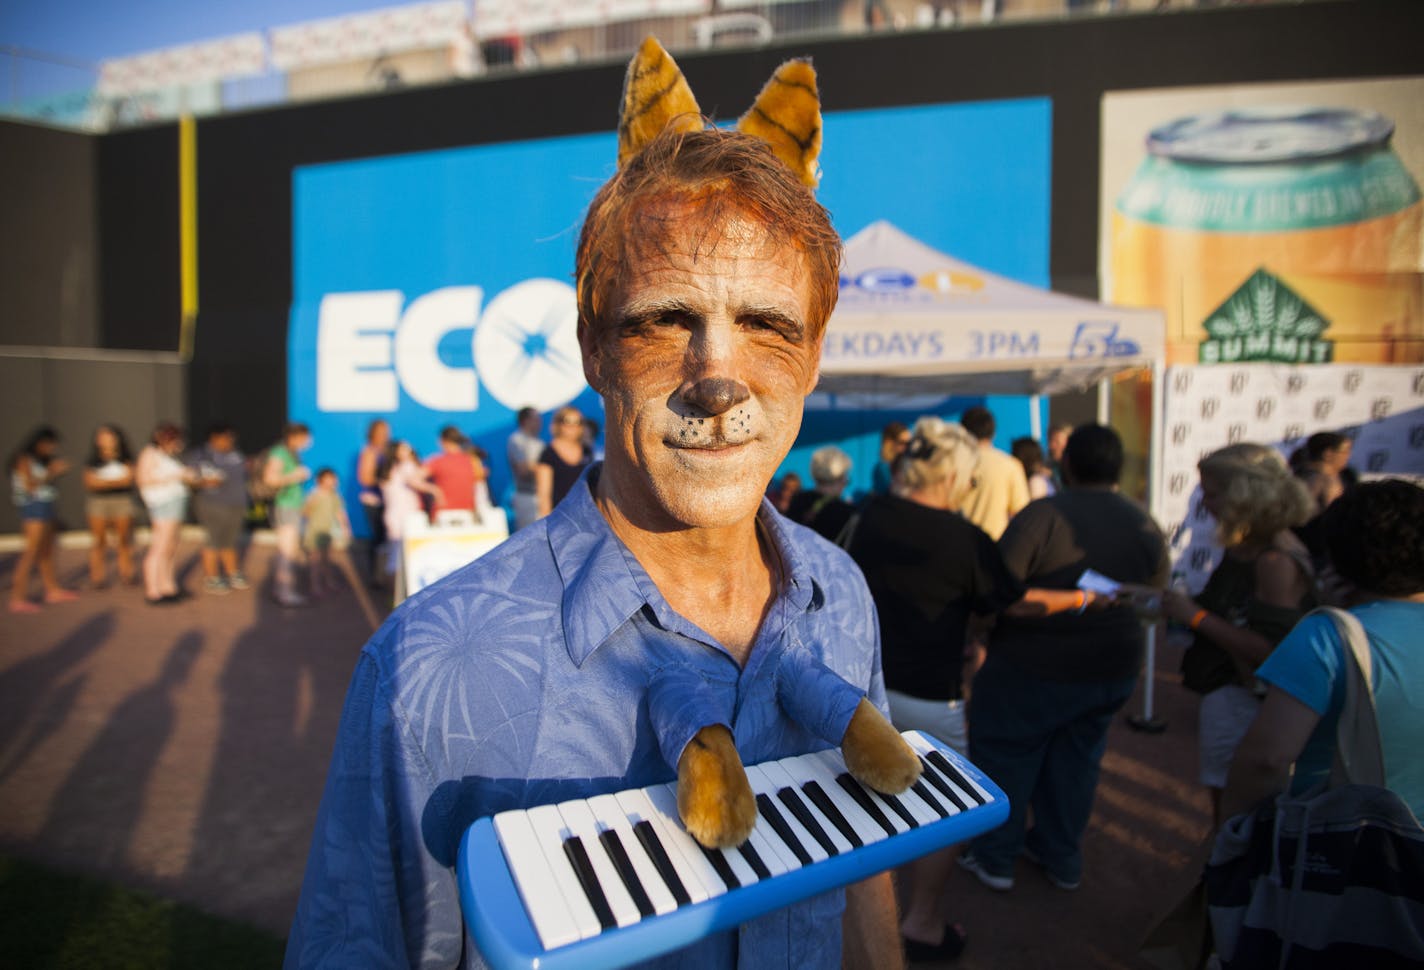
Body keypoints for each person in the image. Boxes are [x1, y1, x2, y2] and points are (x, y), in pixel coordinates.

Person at [287, 41, 903, 969]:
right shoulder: (420, 674)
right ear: (591, 346)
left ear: (813, 355)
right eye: (664, 321)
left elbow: (866, 845)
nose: (718, 377)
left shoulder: (841, 594)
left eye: (770, 327)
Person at [847, 417, 1112, 955]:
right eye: (969, 480)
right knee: (949, 810)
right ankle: (920, 921)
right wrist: (1085, 600)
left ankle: (863, 926)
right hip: (929, 691)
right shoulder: (965, 539)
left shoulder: (868, 515)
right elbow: (1012, 603)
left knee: (860, 804)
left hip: (859, 687)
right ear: (952, 477)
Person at [959, 424, 1169, 894]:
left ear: (1067, 464)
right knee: (1078, 761)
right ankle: (1060, 856)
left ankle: (996, 857)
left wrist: (979, 633)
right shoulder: (1144, 523)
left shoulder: (1043, 516)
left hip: (1031, 667)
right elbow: (1157, 596)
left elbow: (996, 593)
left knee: (1007, 756)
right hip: (1111, 667)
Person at [1222, 479, 1424, 822]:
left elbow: (1266, 759)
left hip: (1345, 845)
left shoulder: (1325, 635)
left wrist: (1228, 838)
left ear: (1338, 557)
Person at [1162, 442, 1316, 825]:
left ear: (1244, 495)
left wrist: (1193, 617)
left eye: (1213, 494)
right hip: (1233, 694)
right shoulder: (1250, 548)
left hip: (1246, 702)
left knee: (1235, 818)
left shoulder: (1275, 561)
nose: (1206, 503)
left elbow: (1271, 650)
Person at [9, 426, 77, 613]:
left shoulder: (40, 460)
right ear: (40, 442)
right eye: (50, 444)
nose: (52, 449)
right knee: (31, 551)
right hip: (33, 508)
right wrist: (51, 472)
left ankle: (52, 589)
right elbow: (29, 485)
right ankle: (17, 596)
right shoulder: (23, 459)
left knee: (47, 550)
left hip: (46, 505)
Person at [136, 422, 198, 605]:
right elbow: (144, 480)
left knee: (171, 547)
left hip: (175, 503)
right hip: (163, 505)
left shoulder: (166, 456)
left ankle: (168, 586)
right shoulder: (150, 454)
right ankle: (153, 590)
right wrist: (177, 476)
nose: (179, 445)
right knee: (160, 546)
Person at [187, 422, 250, 594]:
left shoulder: (236, 454)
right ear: (215, 437)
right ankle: (212, 577)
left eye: (231, 437)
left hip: (236, 504)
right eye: (226, 437)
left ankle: (232, 573)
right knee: (213, 541)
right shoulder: (201, 455)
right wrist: (203, 481)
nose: (230, 441)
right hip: (212, 504)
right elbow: (190, 477)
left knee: (230, 541)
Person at [957, 405, 1030, 540]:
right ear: (993, 433)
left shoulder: (951, 464)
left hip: (957, 543)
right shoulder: (1010, 465)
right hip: (994, 545)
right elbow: (1021, 513)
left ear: (963, 431)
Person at [263, 422, 314, 607]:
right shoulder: (280, 452)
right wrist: (296, 475)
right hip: (285, 506)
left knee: (289, 550)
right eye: (305, 437)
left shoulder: (291, 453)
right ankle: (285, 592)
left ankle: (282, 589)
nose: (308, 441)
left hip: (292, 506)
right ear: (294, 436)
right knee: (287, 551)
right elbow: (270, 479)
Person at [83, 423, 137, 589]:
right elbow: (90, 483)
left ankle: (127, 573)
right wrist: (115, 482)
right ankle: (97, 577)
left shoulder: (126, 458)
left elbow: (128, 479)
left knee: (124, 539)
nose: (105, 440)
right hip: (99, 503)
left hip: (121, 501)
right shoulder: (93, 460)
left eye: (109, 436)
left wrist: (104, 482)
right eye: (102, 437)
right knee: (99, 541)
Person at [379, 439, 441, 579]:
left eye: (409, 448)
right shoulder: (406, 466)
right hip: (406, 516)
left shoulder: (390, 470)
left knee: (395, 557)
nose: (409, 451)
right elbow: (414, 482)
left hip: (393, 515)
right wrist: (435, 490)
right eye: (404, 449)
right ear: (395, 452)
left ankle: (395, 594)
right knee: (406, 557)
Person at [786, 445, 855, 542]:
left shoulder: (798, 500)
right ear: (839, 478)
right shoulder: (844, 511)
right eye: (845, 477)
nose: (845, 483)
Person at [302, 467, 351, 598]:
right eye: (327, 479)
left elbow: (340, 513)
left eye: (333, 479)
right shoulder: (314, 495)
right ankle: (315, 585)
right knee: (314, 560)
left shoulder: (334, 496)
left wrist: (345, 527)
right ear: (320, 480)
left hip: (328, 532)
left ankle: (329, 582)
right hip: (314, 532)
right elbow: (305, 512)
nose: (331, 482)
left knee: (327, 559)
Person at [535, 405, 591, 518]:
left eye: (577, 422)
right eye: (567, 421)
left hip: (586, 516)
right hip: (560, 518)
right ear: (558, 424)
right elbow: (544, 495)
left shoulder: (587, 451)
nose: (572, 427)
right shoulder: (548, 454)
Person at [356, 418, 391, 584]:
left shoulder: (387, 450)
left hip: (389, 500)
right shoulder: (369, 452)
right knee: (377, 538)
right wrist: (383, 480)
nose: (385, 435)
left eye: (386, 431)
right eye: (381, 432)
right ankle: (375, 575)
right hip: (373, 501)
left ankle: (385, 573)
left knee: (386, 538)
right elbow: (365, 478)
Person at [424, 425, 479, 519]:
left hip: (444, 515)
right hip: (466, 514)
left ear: (442, 440)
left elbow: (413, 478)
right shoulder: (471, 461)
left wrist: (434, 490)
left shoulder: (436, 461)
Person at [505, 407, 543, 530]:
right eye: (536, 419)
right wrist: (545, 469)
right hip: (526, 498)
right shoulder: (517, 440)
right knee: (530, 541)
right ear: (525, 421)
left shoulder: (539, 443)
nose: (539, 422)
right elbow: (523, 470)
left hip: (541, 497)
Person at [871, 421, 910, 496]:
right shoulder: (882, 468)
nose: (907, 447)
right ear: (889, 443)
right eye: (902, 443)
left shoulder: (908, 464)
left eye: (909, 443)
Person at [1010, 435, 1054, 500]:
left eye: (1014, 454)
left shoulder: (1036, 481)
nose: (1011, 458)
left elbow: (1037, 508)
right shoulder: (1038, 478)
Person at [1045, 421, 1071, 492]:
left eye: (1057, 441)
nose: (1051, 446)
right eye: (1050, 441)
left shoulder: (1079, 471)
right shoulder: (1045, 468)